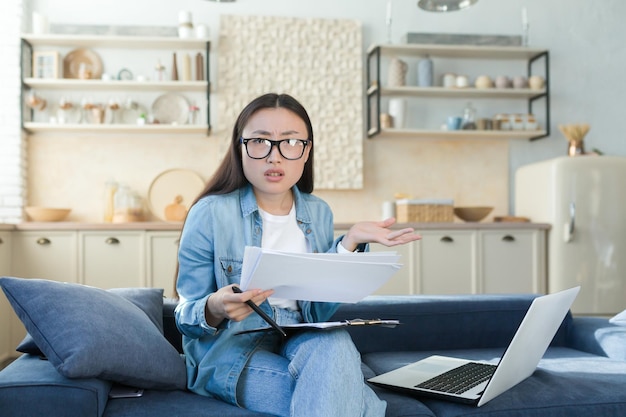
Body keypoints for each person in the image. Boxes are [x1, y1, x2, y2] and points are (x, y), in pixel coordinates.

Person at [175, 93, 420, 417]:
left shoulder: (318, 213)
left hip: (300, 336)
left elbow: (316, 313)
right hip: (232, 349)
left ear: (306, 151)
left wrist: (348, 245)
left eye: (290, 142)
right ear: (240, 147)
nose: (274, 157)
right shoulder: (209, 213)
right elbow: (184, 317)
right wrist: (215, 307)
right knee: (353, 402)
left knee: (336, 342)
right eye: (260, 141)